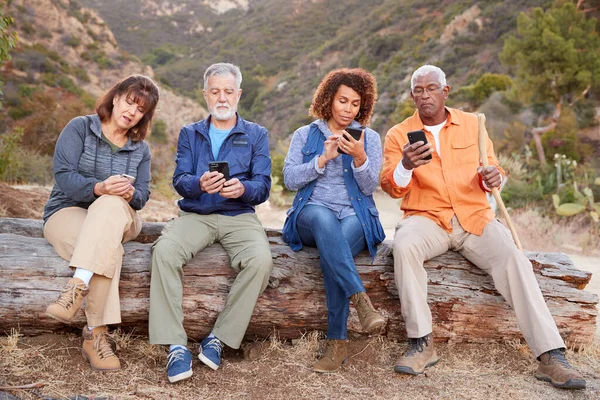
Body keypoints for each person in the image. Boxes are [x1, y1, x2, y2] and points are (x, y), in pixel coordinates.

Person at [381, 64, 586, 390]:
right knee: (403, 247)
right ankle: (421, 343)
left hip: (473, 216)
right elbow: (391, 186)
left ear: (445, 92)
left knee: (513, 257)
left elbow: (494, 169)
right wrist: (406, 164)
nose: (425, 96)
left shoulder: (473, 125)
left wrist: (496, 178)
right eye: (418, 91)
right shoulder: (397, 134)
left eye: (431, 88)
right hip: (427, 217)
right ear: (412, 96)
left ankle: (551, 356)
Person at [149, 63, 273, 384]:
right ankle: (176, 345)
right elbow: (180, 180)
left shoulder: (256, 134)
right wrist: (199, 184)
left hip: (239, 215)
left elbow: (263, 186)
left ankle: (218, 337)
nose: (222, 98)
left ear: (238, 94)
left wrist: (243, 188)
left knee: (260, 260)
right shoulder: (190, 133)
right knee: (164, 252)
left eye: (228, 91)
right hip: (196, 213)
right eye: (215, 91)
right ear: (205, 95)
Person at [43, 75, 160, 371]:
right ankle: (96, 337)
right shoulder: (80, 128)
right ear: (116, 97)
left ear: (144, 117)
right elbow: (64, 175)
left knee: (109, 206)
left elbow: (143, 195)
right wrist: (99, 187)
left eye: (141, 109)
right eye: (130, 102)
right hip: (67, 211)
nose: (132, 111)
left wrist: (129, 192)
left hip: (121, 217)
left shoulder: (141, 149)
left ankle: (77, 284)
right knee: (109, 251)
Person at [282, 68, 386, 373]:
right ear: (329, 99)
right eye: (343, 101)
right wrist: (322, 160)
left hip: (355, 215)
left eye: (355, 104)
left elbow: (368, 188)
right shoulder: (305, 134)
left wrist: (359, 158)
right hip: (311, 214)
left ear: (362, 107)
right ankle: (362, 302)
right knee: (325, 221)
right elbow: (290, 179)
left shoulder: (370, 138)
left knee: (334, 249)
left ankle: (337, 344)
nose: (348, 109)